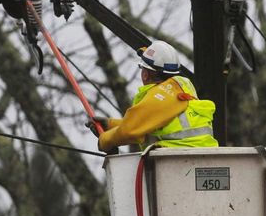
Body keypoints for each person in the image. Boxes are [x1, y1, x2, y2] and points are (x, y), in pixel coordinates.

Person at [90, 41, 218, 152]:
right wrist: (111, 124)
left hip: (176, 160)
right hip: (202, 154)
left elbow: (129, 132)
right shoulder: (181, 88)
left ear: (145, 74)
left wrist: (105, 141)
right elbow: (152, 124)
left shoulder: (159, 95)